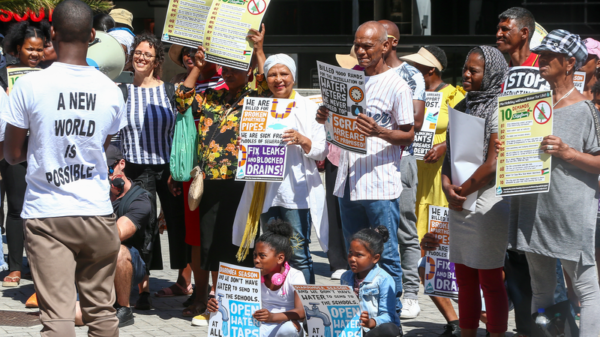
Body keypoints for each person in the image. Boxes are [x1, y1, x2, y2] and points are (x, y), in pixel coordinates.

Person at [2, 0, 127, 335]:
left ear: (52, 33)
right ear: (92, 35)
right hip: (98, 213)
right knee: (101, 314)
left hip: (48, 215)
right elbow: (99, 148)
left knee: (57, 318)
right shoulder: (111, 91)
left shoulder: (28, 85)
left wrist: (42, 143)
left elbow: (12, 154)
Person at [500, 29, 600, 336]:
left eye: (549, 55)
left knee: (585, 287)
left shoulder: (586, 110)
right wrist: (509, 148)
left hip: (569, 211)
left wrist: (568, 153)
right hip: (533, 209)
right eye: (541, 54)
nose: (540, 59)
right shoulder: (529, 105)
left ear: (569, 63)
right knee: (541, 287)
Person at [316, 21, 415, 315]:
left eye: (367, 45)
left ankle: (389, 316)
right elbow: (337, 122)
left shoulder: (398, 85)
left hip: (379, 183)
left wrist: (379, 132)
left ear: (385, 46)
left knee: (384, 255)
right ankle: (359, 314)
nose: (360, 51)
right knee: (355, 254)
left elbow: (409, 135)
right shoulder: (349, 78)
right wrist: (325, 115)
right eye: (357, 45)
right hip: (348, 180)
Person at [173, 24, 269, 325]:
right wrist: (198, 68)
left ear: (246, 69)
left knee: (238, 243)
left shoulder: (254, 96)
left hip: (241, 183)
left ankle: (236, 305)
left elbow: (269, 85)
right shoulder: (210, 97)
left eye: (234, 69)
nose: (227, 73)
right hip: (210, 183)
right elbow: (182, 98)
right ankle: (212, 305)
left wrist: (258, 50)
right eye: (224, 69)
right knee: (211, 244)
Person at [234, 53, 328, 285]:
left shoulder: (309, 108)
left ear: (293, 77)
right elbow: (248, 150)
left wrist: (301, 139)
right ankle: (278, 304)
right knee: (272, 256)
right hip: (266, 193)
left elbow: (320, 151)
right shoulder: (258, 108)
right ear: (266, 79)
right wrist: (244, 146)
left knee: (299, 256)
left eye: (283, 73)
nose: (279, 79)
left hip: (297, 194)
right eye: (272, 75)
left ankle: (306, 311)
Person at [442, 45, 509, 337]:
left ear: (491, 73)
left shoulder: (500, 108)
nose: (466, 75)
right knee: (465, 277)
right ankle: (467, 332)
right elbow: (448, 158)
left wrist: (461, 192)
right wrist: (447, 188)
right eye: (465, 69)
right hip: (460, 200)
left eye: (474, 70)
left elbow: (494, 162)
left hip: (487, 203)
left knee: (490, 280)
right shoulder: (460, 107)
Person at [118, 34, 189, 305]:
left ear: (156, 60)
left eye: (147, 54)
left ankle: (184, 281)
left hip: (167, 169)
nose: (141, 57)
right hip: (135, 169)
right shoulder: (121, 90)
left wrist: (176, 168)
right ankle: (144, 289)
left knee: (177, 223)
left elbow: (180, 132)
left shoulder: (169, 90)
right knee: (143, 228)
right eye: (137, 52)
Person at [400, 45, 464, 336]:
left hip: (443, 180)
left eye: (416, 66)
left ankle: (476, 315)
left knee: (443, 251)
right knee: (422, 252)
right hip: (416, 178)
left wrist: (445, 145)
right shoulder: (410, 93)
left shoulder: (456, 96)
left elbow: (472, 134)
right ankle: (452, 320)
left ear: (431, 70)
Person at [167, 43, 226, 314]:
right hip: (194, 173)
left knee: (219, 237)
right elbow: (181, 102)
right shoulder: (187, 84)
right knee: (196, 238)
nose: (193, 57)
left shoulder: (228, 80)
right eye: (188, 54)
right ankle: (200, 296)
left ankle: (218, 298)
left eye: (200, 52)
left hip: (225, 173)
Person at [378, 19, 425, 319]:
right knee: (375, 231)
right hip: (367, 163)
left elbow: (416, 122)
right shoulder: (361, 73)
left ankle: (409, 294)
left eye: (374, 39)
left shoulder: (410, 75)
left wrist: (375, 126)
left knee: (404, 228)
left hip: (400, 159)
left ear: (391, 42)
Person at [0, 20, 50, 288]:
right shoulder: (3, 75)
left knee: (41, 210)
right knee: (17, 208)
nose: (34, 54)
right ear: (17, 48)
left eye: (39, 49)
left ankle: (38, 263)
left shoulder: (50, 74)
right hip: (16, 149)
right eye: (29, 49)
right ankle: (16, 267)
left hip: (44, 149)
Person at [208, 220, 306, 337]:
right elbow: (233, 303)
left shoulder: (295, 276)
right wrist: (215, 305)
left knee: (289, 329)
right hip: (258, 327)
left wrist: (273, 317)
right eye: (255, 255)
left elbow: (301, 312)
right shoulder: (251, 274)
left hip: (283, 325)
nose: (256, 260)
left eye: (262, 256)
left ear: (280, 258)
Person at [106, 145, 153, 327]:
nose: (108, 175)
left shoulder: (140, 199)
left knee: (118, 250)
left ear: (122, 164)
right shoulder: (95, 194)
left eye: (110, 169)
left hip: (130, 261)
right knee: (77, 316)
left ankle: (124, 308)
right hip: (93, 257)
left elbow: (115, 235)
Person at [341, 226, 402, 337]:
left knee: (389, 329)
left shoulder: (384, 279)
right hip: (352, 329)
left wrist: (370, 322)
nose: (352, 259)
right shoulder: (345, 277)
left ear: (375, 258)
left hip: (372, 330)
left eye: (359, 255)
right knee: (312, 321)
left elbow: (388, 316)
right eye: (350, 253)